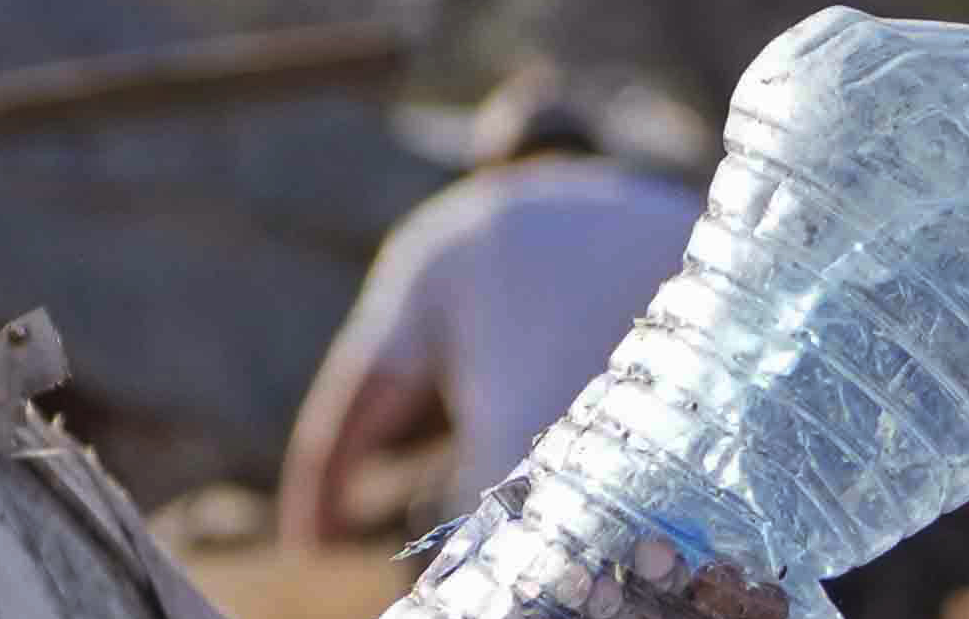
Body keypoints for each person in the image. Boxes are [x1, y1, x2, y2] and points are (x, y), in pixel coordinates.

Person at [274, 72, 704, 551]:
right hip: (668, 526)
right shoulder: (684, 217)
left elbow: (350, 415)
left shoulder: (450, 225)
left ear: (489, 160)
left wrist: (310, 551)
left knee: (428, 502)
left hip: (508, 525)